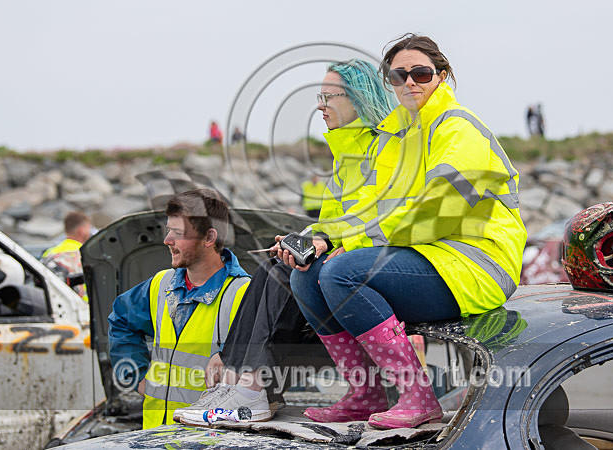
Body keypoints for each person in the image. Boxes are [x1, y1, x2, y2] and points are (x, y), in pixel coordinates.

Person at [280, 33, 527, 430]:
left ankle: (417, 396)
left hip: (477, 264)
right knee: (307, 274)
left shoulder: (458, 129)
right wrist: (322, 238)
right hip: (430, 257)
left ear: (442, 76)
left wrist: (355, 246)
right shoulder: (395, 138)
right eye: (399, 76)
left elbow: (437, 213)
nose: (410, 82)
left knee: (343, 272)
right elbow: (364, 210)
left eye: (421, 73)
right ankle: (365, 393)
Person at [187, 58, 397, 423]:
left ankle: (254, 388)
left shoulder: (387, 149)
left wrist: (341, 246)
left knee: (291, 272)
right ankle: (236, 375)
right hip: (353, 254)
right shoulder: (347, 157)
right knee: (275, 261)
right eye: (320, 95)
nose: (320, 105)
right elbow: (331, 223)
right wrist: (309, 240)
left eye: (330, 96)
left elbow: (393, 218)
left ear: (359, 99)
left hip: (381, 262)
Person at [107, 189, 251, 429]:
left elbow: (266, 361)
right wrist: (137, 377)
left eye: (177, 233)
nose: (167, 241)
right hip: (154, 436)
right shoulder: (161, 284)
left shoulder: (243, 293)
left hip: (211, 440)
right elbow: (121, 319)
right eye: (168, 231)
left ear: (209, 238)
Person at [41, 211, 92, 301]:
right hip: (82, 307)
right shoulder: (87, 254)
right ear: (81, 230)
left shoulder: (49, 253)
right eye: (88, 228)